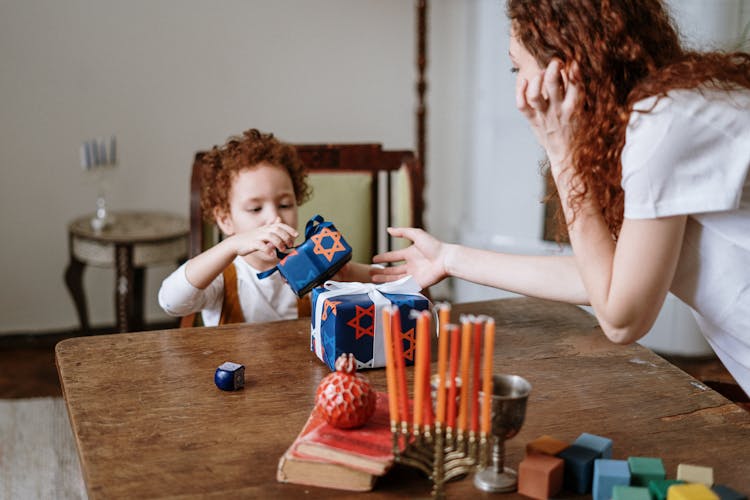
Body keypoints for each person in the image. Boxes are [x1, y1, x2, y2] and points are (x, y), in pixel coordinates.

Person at [372, 0, 750, 396]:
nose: (517, 87)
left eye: (517, 67)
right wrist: (449, 258)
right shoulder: (657, 116)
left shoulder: (663, 124)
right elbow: (608, 279)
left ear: (562, 68)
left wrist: (561, 152)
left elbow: (622, 319)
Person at [159, 128, 372, 326]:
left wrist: (348, 274)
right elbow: (171, 302)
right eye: (255, 209)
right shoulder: (223, 277)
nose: (275, 218)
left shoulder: (310, 265)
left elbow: (386, 285)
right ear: (225, 220)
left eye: (285, 205)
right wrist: (231, 245)